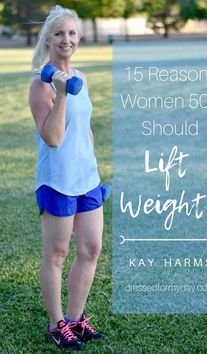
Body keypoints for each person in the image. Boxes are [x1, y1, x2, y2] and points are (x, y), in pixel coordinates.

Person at [29, 5, 106, 351]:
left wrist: (92, 161)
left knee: (91, 248)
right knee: (57, 254)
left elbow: (85, 129)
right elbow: (54, 138)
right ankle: (57, 324)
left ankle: (76, 319)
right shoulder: (39, 85)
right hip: (57, 180)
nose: (67, 39)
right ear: (48, 37)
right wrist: (60, 93)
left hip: (86, 178)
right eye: (59, 33)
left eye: (72, 33)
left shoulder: (82, 77)